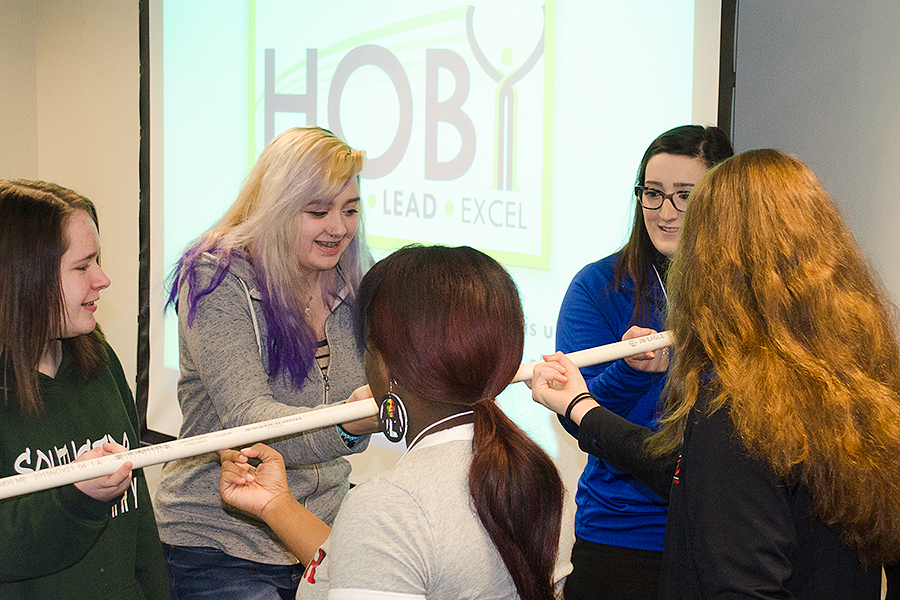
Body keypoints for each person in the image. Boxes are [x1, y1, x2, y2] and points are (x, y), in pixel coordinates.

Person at [532, 149, 900, 599]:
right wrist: (581, 406)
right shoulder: (863, 383)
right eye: (654, 194)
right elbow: (691, 474)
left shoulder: (738, 409)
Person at [219, 245, 572, 600]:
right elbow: (374, 568)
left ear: (388, 366)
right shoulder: (535, 473)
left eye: (367, 347)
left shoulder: (390, 505)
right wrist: (277, 506)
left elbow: (386, 549)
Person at [153, 127, 380, 600]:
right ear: (276, 207)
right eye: (318, 211)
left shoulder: (353, 279)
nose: (339, 228)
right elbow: (248, 421)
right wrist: (347, 425)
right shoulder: (215, 277)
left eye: (350, 210)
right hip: (219, 546)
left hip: (319, 532)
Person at [554, 125, 733, 599]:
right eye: (653, 193)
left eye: (684, 196)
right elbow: (577, 414)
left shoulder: (744, 295)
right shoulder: (598, 286)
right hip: (622, 538)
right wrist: (628, 373)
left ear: (720, 199)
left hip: (720, 535)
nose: (665, 212)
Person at [0, 180, 170, 599]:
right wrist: (76, 499)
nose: (102, 279)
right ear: (24, 278)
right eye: (82, 267)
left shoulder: (99, 360)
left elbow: (139, 523)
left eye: (98, 260)